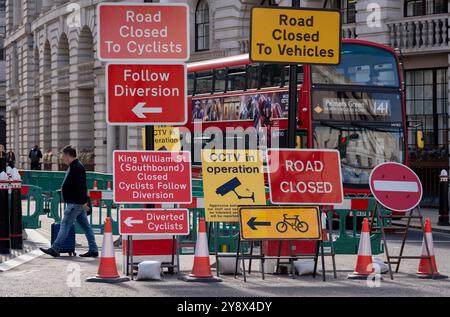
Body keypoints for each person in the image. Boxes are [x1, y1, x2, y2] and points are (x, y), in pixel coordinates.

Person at [40, 146, 98, 258]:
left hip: (75, 203)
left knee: (65, 224)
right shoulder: (75, 166)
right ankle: (93, 249)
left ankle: (55, 248)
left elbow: (81, 186)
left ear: (67, 155)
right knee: (86, 226)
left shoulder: (77, 167)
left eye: (63, 155)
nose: (62, 158)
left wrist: (83, 202)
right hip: (77, 203)